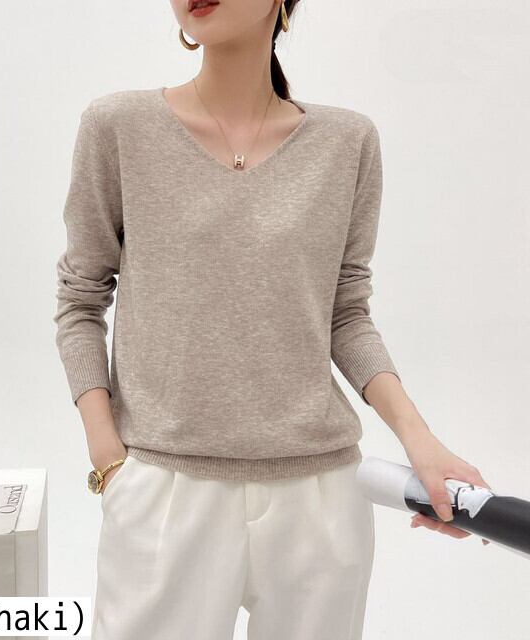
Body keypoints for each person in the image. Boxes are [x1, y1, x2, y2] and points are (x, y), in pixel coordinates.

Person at [53, 1, 490, 638]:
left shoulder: (347, 142)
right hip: (164, 491)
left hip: (320, 500)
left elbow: (345, 314)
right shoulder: (118, 126)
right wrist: (110, 460)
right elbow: (80, 298)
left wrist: (420, 443)